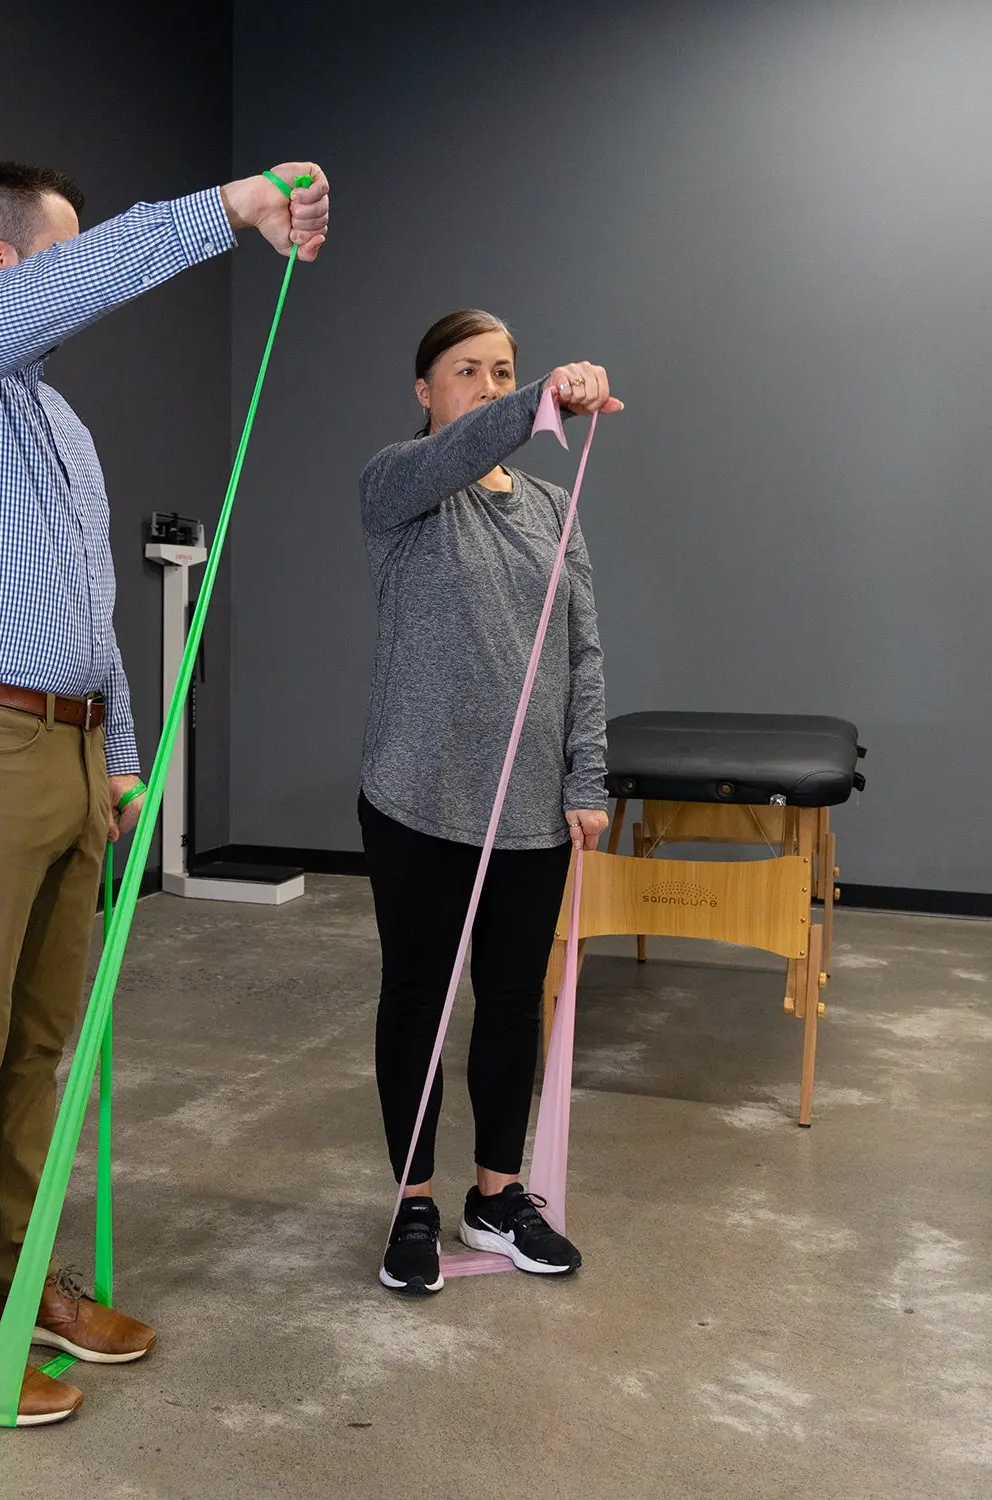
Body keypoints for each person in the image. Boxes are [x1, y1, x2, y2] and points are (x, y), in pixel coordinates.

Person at [0, 158, 329, 1422]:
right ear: (2, 265)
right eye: (60, 261)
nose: (76, 288)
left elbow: (87, 597)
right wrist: (228, 209)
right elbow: (90, 278)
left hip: (69, 753)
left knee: (36, 1048)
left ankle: (17, 1286)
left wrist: (118, 750)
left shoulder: (58, 423)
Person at [357, 309, 622, 1296]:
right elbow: (463, 449)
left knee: (511, 1004)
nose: (485, 386)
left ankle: (497, 1198)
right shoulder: (399, 485)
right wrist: (541, 397)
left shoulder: (552, 507)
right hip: (416, 799)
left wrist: (586, 776)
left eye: (503, 371)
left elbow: (583, 648)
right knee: (418, 1003)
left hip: (529, 810)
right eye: (465, 370)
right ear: (424, 391)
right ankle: (414, 1203)